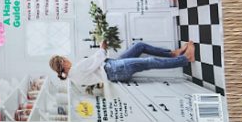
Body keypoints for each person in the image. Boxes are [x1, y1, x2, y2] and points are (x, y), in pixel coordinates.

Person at [48, 40, 195, 86]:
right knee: (149, 61)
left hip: (113, 67)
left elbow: (96, 63)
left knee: (139, 47)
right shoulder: (76, 69)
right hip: (114, 69)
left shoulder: (74, 77)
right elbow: (98, 59)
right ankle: (185, 59)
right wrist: (102, 46)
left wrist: (102, 52)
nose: (67, 59)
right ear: (63, 63)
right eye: (64, 58)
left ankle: (172, 53)